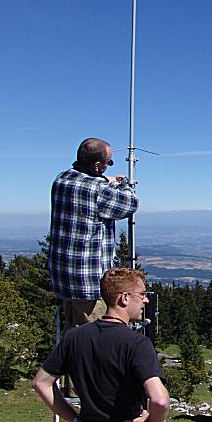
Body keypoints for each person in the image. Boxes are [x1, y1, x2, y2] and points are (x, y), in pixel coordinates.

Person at [33, 268, 170, 422]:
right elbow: (159, 400)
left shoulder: (75, 337)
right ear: (124, 298)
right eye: (142, 294)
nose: (146, 300)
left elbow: (41, 382)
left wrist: (73, 418)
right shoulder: (136, 343)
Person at [49, 138, 138, 330]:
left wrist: (106, 180)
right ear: (97, 165)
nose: (109, 166)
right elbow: (130, 203)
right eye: (108, 163)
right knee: (94, 342)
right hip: (88, 284)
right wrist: (121, 184)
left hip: (64, 280)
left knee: (72, 337)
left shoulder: (61, 180)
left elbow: (85, 185)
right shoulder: (98, 189)